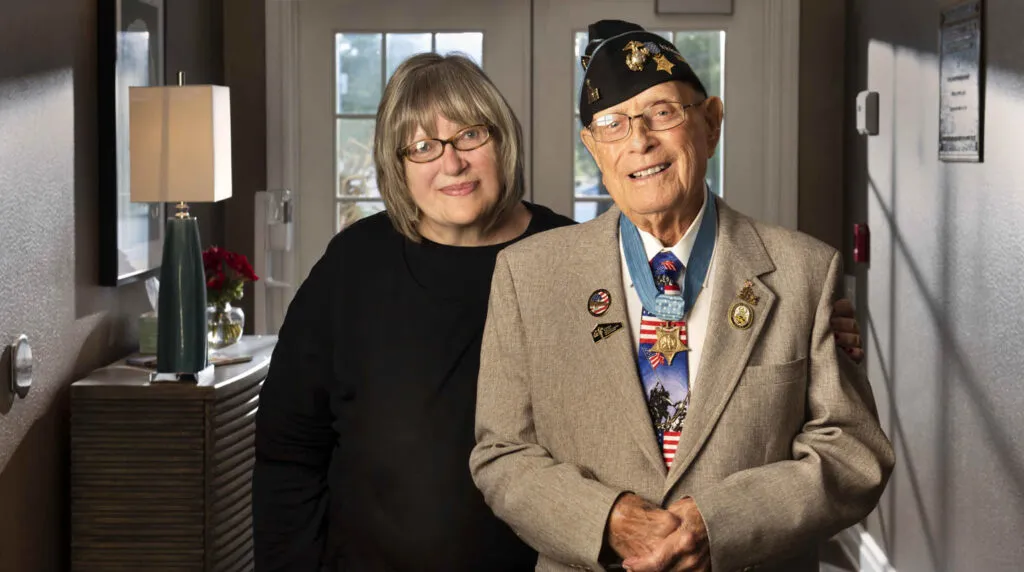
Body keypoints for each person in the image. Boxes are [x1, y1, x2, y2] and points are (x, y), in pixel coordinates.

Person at [252, 52, 867, 571]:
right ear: (397, 163)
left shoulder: (569, 263)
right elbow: (288, 447)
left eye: (472, 135)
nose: (452, 161)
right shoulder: (353, 263)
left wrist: (807, 322)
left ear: (502, 139)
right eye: (423, 145)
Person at [469, 20, 894, 572]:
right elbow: (502, 454)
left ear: (711, 124)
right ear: (595, 149)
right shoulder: (528, 278)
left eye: (662, 113)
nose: (640, 140)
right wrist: (609, 518)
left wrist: (718, 523)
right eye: (613, 124)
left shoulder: (804, 272)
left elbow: (853, 452)